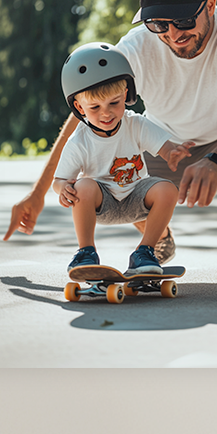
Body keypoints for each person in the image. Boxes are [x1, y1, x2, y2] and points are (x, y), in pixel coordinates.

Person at [4, 0, 217, 282]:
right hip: (161, 149)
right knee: (105, 153)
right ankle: (156, 241)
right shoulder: (136, 47)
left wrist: (216, 160)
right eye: (159, 25)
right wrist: (39, 193)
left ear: (210, 5)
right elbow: (85, 119)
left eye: (183, 20)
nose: (172, 34)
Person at [51, 43, 184, 277]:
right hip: (103, 203)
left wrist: (173, 153)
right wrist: (63, 189)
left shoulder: (136, 124)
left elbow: (164, 146)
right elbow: (59, 179)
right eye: (94, 107)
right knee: (83, 185)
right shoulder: (79, 140)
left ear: (126, 94)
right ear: (79, 107)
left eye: (114, 102)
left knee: (167, 189)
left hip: (137, 197)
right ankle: (86, 252)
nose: (106, 113)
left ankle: (145, 252)